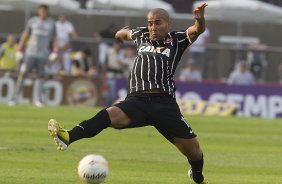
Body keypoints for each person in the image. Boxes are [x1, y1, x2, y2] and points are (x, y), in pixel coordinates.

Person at [48, 3, 209, 184]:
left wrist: (199, 19)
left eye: (158, 23)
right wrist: (119, 35)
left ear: (168, 24)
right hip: (137, 101)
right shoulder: (142, 34)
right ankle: (68, 137)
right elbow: (125, 34)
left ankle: (197, 176)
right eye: (150, 23)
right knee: (108, 114)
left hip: (164, 104)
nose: (153, 27)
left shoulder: (177, 39)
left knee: (194, 151)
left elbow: (197, 30)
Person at [8, 4, 57, 107]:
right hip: (30, 52)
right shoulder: (32, 21)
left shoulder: (52, 23)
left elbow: (54, 39)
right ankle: (15, 98)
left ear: (47, 12)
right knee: (23, 74)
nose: (43, 12)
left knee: (41, 76)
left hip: (43, 54)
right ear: (38, 11)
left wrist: (55, 51)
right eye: (41, 10)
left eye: (44, 11)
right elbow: (25, 35)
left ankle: (38, 99)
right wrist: (20, 49)